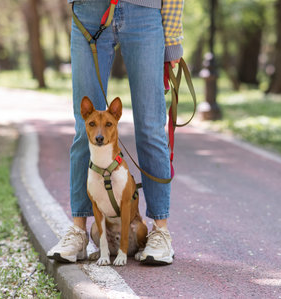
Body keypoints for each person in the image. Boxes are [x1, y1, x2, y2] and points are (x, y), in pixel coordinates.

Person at [47, 0, 184, 265]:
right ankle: (78, 231)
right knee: (83, 129)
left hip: (144, 11)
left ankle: (160, 232)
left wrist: (173, 36)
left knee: (151, 128)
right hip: (89, 11)